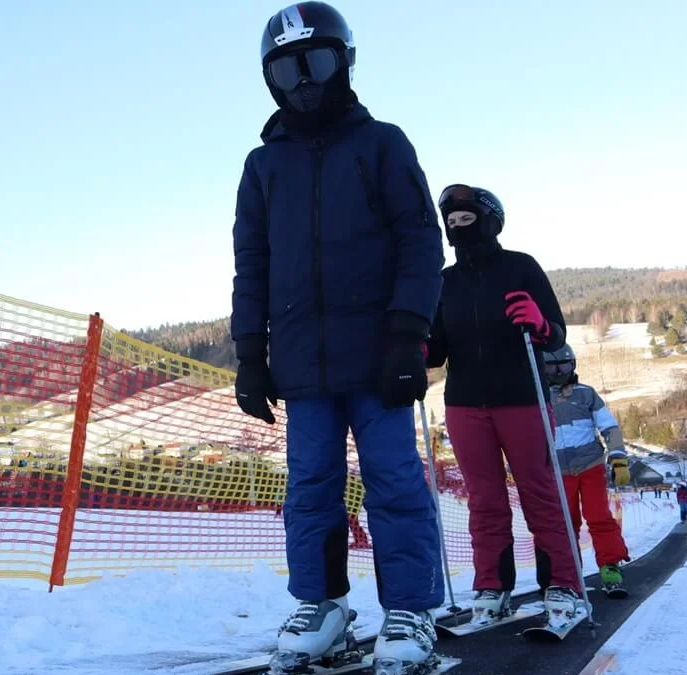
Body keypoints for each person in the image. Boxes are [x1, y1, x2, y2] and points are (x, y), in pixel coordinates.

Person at [230, 3, 446, 670]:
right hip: (301, 363)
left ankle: (408, 607)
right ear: (271, 79)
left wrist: (409, 336)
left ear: (343, 63)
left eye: (316, 63)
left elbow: (419, 241)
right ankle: (322, 603)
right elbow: (253, 262)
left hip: (379, 358)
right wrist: (249, 352)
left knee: (394, 480)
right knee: (310, 485)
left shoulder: (382, 144)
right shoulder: (263, 167)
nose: (304, 82)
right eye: (286, 69)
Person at [424, 184, 583, 629]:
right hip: (464, 404)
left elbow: (556, 334)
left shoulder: (521, 267)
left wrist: (539, 323)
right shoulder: (443, 281)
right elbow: (436, 350)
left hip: (521, 397)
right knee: (485, 500)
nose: (458, 228)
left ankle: (564, 583)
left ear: (492, 221)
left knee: (540, 491)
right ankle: (492, 586)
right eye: (451, 222)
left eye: (467, 219)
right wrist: (415, 349)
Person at [543, 344, 632, 594]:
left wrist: (618, 458)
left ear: (573, 365)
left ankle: (610, 565)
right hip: (558, 471)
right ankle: (568, 573)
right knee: (565, 522)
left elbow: (609, 427)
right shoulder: (539, 396)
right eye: (552, 366)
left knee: (598, 516)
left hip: (590, 466)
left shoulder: (586, 394)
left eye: (564, 365)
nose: (559, 371)